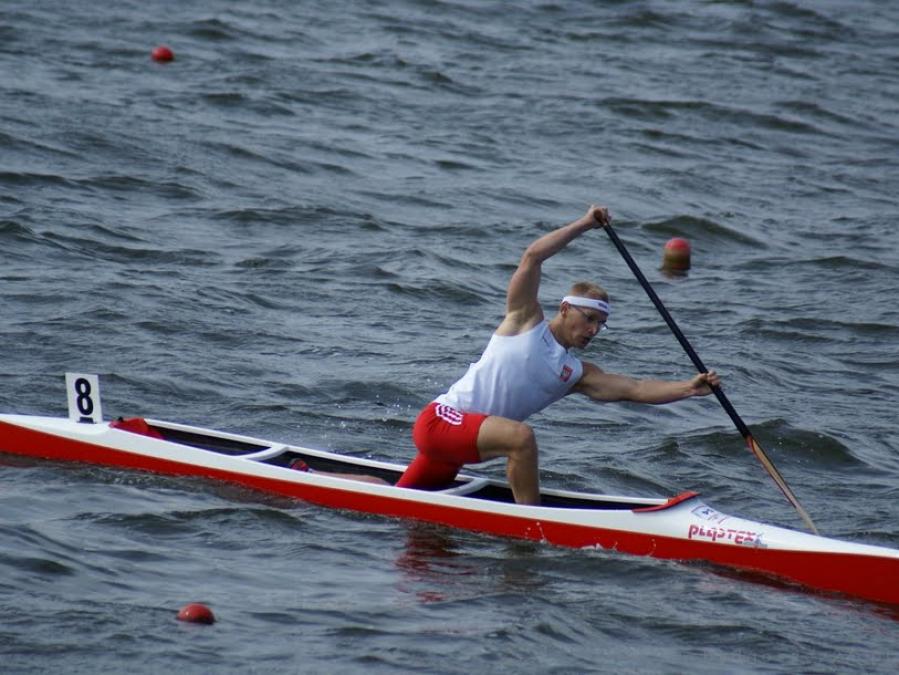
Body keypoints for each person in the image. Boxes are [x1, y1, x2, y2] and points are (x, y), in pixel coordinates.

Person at [395, 204, 720, 504]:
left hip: (459, 446)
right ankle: (531, 525)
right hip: (441, 422)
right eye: (589, 319)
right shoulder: (524, 320)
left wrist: (688, 389)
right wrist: (584, 224)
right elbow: (532, 257)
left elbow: (636, 389)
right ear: (565, 309)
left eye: (601, 324)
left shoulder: (576, 374)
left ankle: (359, 485)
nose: (594, 329)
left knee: (401, 499)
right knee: (521, 438)